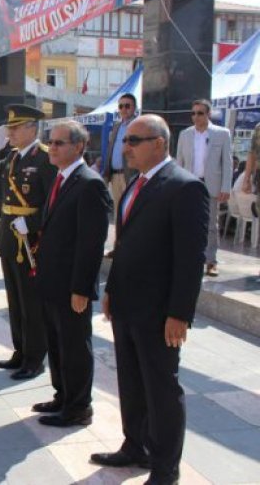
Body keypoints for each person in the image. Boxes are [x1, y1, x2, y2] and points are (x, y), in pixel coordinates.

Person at [90, 115, 208, 485]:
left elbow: (191, 260)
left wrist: (179, 314)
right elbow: (123, 247)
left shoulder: (185, 188)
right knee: (130, 381)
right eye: (126, 140)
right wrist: (111, 290)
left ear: (159, 143)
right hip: (126, 304)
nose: (126, 148)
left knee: (161, 389)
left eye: (134, 140)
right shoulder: (135, 185)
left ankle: (165, 468)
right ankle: (134, 446)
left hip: (159, 312)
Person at [34, 120, 112, 427]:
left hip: (71, 286)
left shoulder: (89, 183)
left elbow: (91, 244)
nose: (51, 148)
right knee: (56, 342)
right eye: (50, 142)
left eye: (58, 143)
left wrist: (81, 288)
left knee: (74, 346)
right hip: (52, 281)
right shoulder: (61, 178)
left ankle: (79, 407)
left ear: (78, 147)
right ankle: (62, 395)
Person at [0, 104, 57, 381]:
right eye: (9, 128)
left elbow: (52, 202)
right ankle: (19, 351)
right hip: (9, 235)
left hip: (31, 238)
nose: (11, 132)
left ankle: (35, 358)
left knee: (31, 302)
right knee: (15, 300)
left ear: (32, 128)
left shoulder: (45, 158)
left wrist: (31, 224)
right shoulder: (12, 157)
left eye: (15, 128)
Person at [176, 99, 232, 277]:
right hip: (189, 184)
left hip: (211, 184)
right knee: (186, 222)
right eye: (193, 113)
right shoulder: (185, 134)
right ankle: (189, 258)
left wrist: (226, 187)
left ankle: (210, 261)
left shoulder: (222, 134)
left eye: (200, 113)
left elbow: (227, 163)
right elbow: (179, 162)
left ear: (208, 114)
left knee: (211, 225)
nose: (195, 116)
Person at [103, 93, 139, 210]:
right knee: (118, 212)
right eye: (121, 106)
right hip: (114, 176)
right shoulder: (116, 127)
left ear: (134, 108)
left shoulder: (139, 126)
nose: (123, 109)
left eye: (127, 106)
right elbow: (110, 150)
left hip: (130, 175)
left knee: (130, 210)